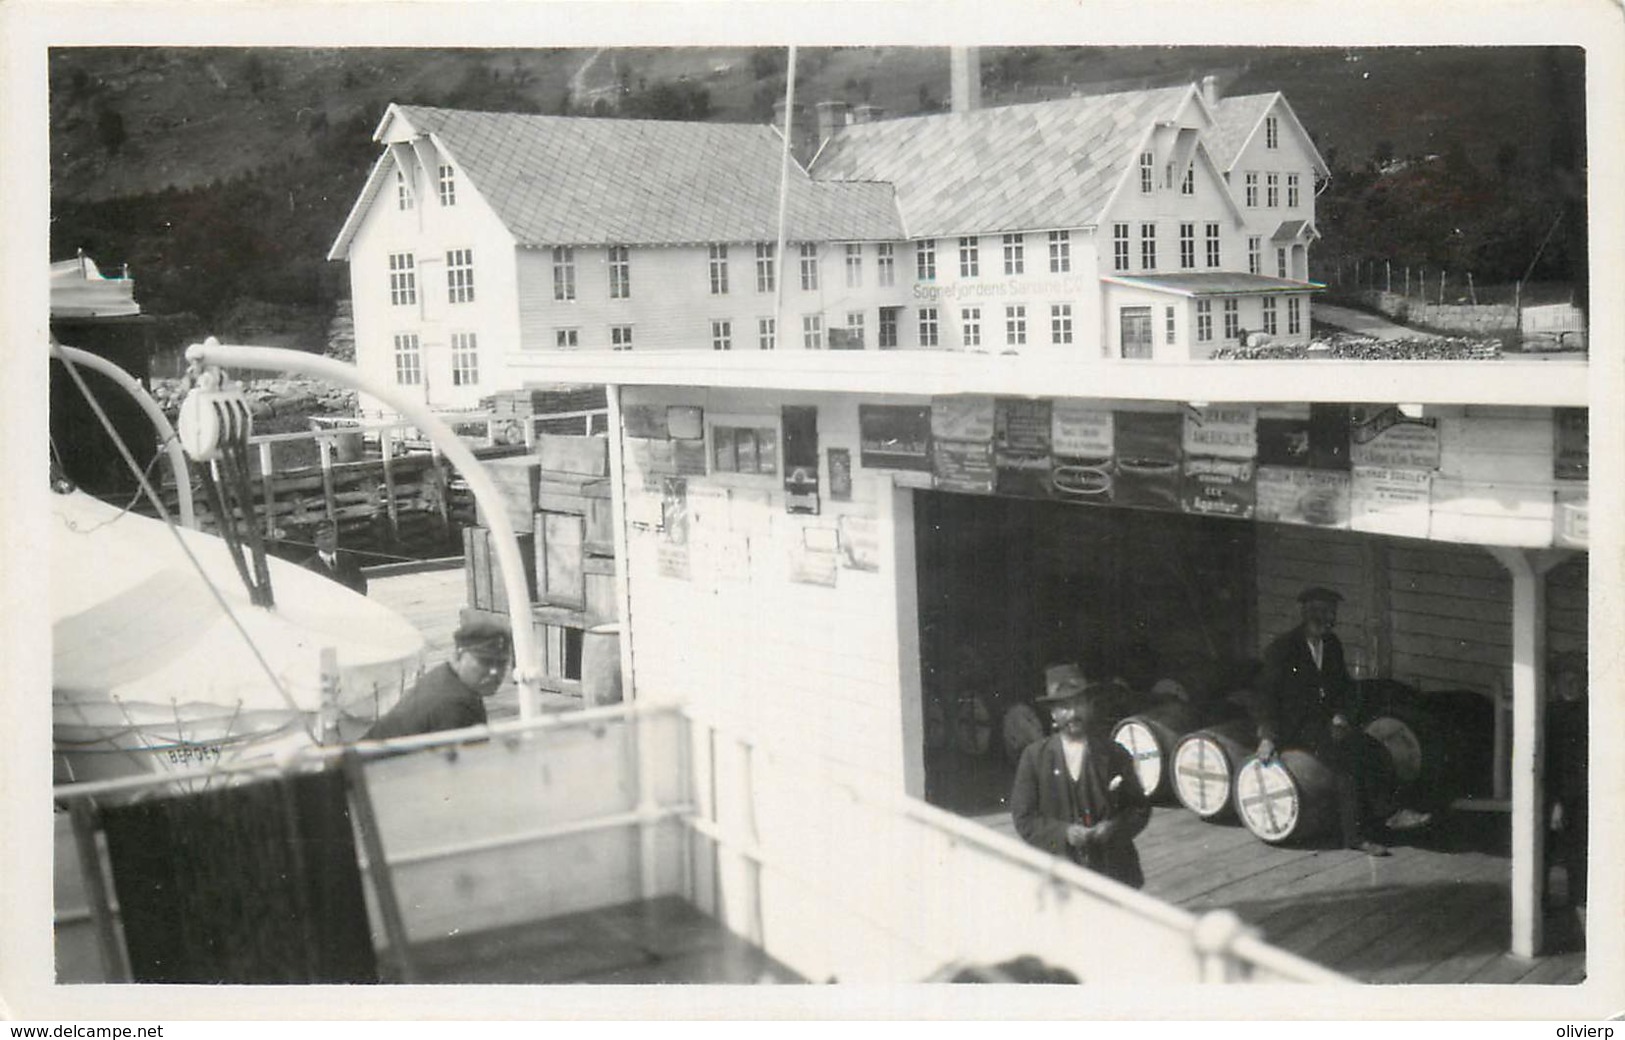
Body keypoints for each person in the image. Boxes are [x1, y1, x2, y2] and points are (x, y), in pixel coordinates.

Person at [1253, 586, 1389, 856]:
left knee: (1373, 749)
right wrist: (1267, 737)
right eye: (1319, 613)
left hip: (1327, 723)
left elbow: (1344, 688)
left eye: (1330, 613)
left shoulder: (1332, 644)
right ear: (1305, 614)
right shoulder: (1282, 648)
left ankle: (1384, 817)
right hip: (1295, 728)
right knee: (1345, 761)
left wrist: (1342, 714)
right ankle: (1355, 836)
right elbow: (1267, 696)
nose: (1326, 619)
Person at [1010, 673, 1151, 888]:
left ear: (1089, 706)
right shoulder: (1034, 757)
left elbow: (1140, 808)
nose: (1074, 713)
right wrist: (1064, 833)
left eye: (1079, 704)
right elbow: (1024, 818)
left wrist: (1114, 828)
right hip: (1060, 877)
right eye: (1064, 707)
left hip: (1114, 874)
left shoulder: (1114, 753)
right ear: (1053, 714)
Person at [363, 616, 512, 740]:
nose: (494, 672)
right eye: (485, 662)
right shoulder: (454, 705)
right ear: (458, 656)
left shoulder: (446, 677)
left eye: (501, 663)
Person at [302, 520, 368, 596]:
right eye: (324, 537)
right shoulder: (310, 567)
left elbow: (360, 583)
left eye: (331, 536)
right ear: (315, 542)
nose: (329, 541)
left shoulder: (347, 558)